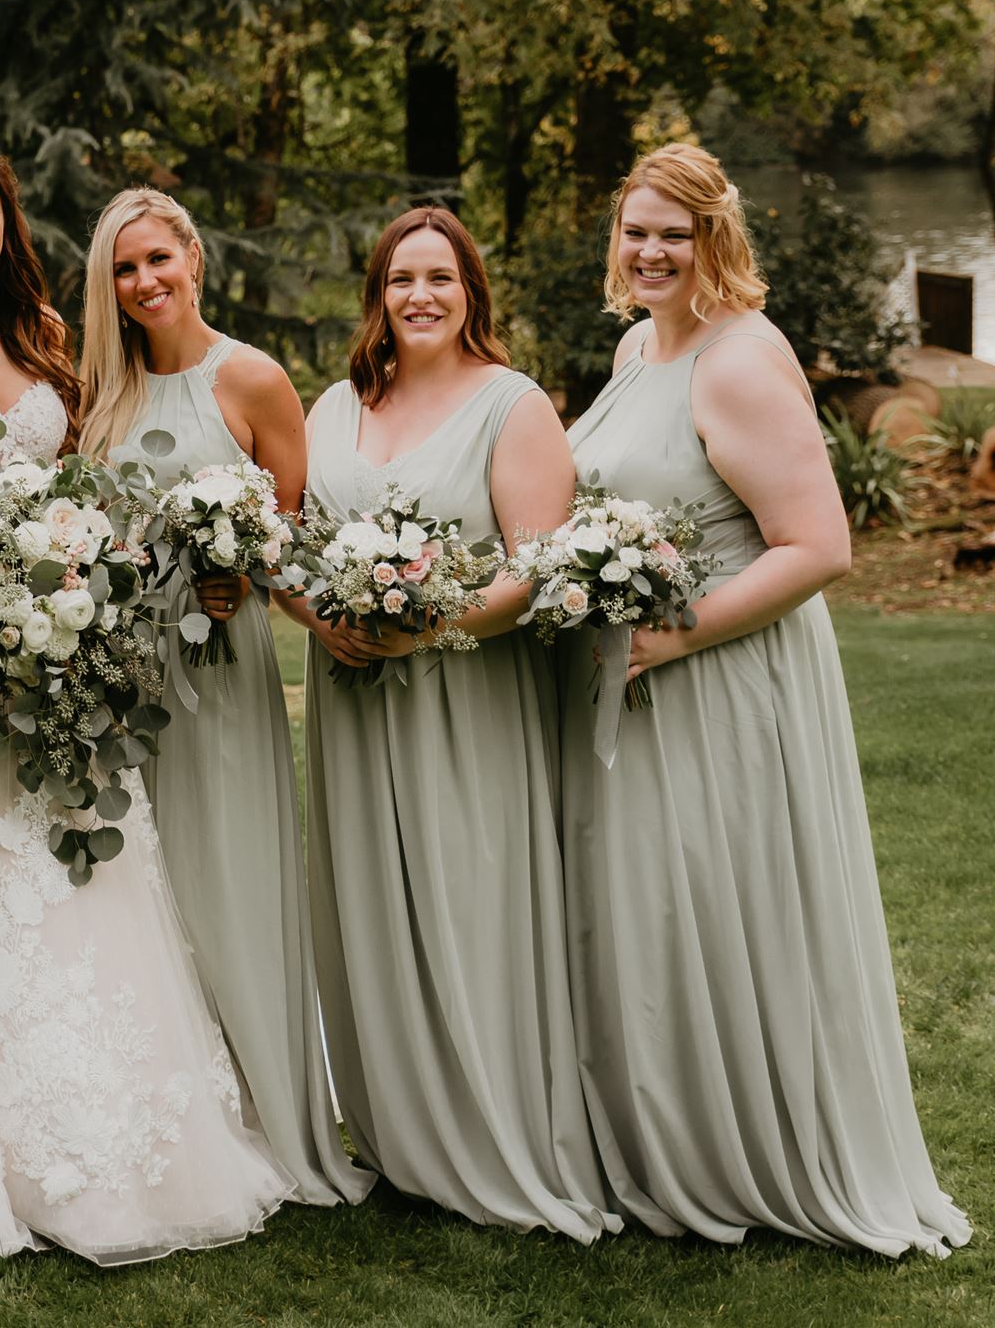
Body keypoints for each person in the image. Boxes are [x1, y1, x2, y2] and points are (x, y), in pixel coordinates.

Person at [0, 140, 291, 1266]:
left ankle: (89, 1137)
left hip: (53, 649)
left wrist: (65, 573)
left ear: (8, 224)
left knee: (64, 876)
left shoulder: (48, 345)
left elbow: (86, 489)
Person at [561, 143, 969, 1257]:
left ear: (714, 239)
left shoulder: (738, 359)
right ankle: (670, 1145)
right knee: (654, 911)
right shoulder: (636, 347)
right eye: (633, 229)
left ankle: (762, 1153)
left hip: (724, 677)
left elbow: (819, 545)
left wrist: (666, 634)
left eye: (670, 233)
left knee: (725, 902)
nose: (647, 250)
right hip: (639, 676)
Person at [287, 205, 613, 1240]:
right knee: (367, 899)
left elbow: (532, 566)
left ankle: (494, 1127)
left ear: (470, 291)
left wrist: (421, 628)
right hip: (349, 691)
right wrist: (318, 613)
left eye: (438, 277)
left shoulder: (510, 404)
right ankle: (398, 1133)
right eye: (398, 279)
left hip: (465, 691)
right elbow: (290, 541)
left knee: (469, 893)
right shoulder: (334, 403)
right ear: (375, 296)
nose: (418, 296)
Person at [77, 188, 371, 1209]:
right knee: (140, 888)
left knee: (230, 875)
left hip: (221, 664)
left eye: (158, 259)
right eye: (123, 269)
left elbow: (285, 538)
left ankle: (266, 1115)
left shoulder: (249, 378)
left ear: (193, 257)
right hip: (123, 671)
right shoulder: (99, 395)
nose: (144, 281)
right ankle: (165, 1119)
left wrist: (244, 576)